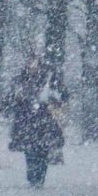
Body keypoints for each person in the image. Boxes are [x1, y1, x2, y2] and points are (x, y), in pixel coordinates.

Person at [7, 52, 68, 187]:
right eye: (30, 63)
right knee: (30, 152)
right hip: (26, 121)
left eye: (34, 63)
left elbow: (62, 95)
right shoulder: (20, 80)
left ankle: (39, 178)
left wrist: (52, 99)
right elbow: (11, 99)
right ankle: (33, 177)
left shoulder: (49, 79)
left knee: (42, 151)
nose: (32, 66)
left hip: (44, 122)